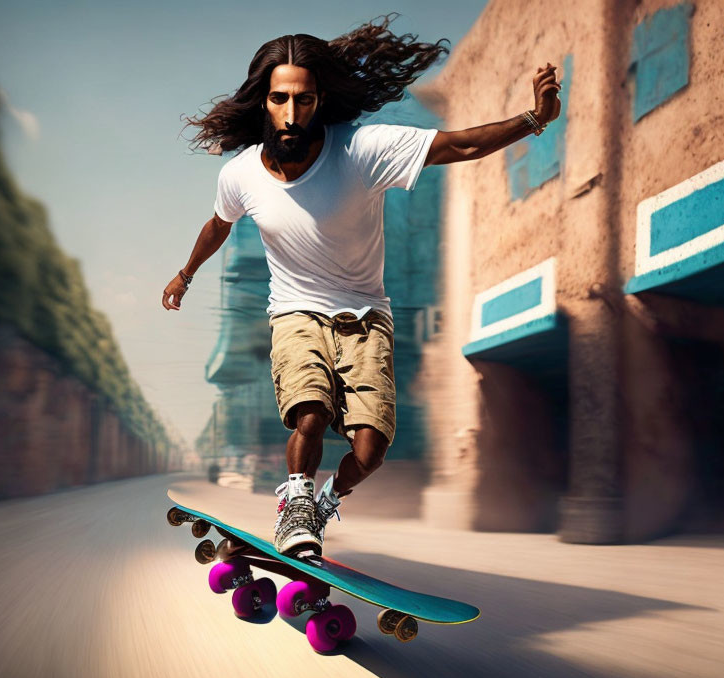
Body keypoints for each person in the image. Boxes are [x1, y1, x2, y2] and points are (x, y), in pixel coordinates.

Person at [163, 14, 561, 556]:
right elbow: (218, 226)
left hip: (366, 317)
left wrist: (535, 120)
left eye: (304, 101)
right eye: (280, 99)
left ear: (320, 101)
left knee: (371, 449)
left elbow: (460, 146)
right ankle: (295, 504)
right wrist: (185, 275)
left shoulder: (363, 150)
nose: (291, 114)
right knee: (312, 409)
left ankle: (325, 500)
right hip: (294, 313)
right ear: (264, 101)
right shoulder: (240, 175)